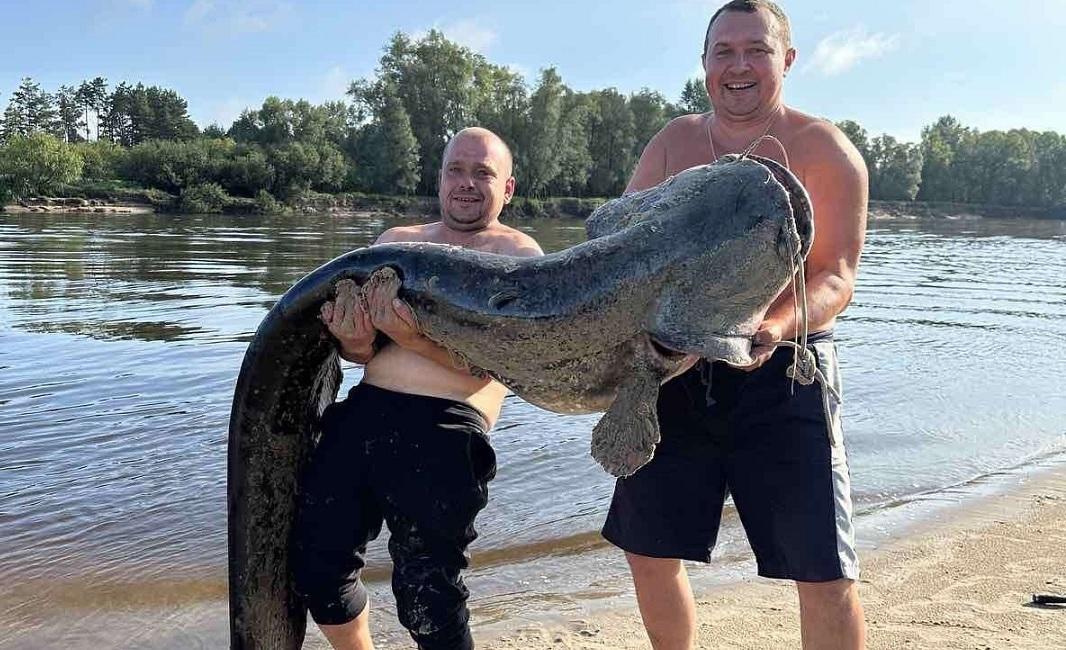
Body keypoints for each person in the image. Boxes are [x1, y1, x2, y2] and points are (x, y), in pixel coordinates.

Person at [600, 2, 869, 649]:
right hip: (676, 371)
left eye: (756, 49)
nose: (738, 66)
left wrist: (773, 326)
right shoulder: (673, 144)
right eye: (724, 52)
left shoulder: (826, 150)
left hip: (785, 372)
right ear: (705, 64)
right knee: (646, 546)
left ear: (787, 59)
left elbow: (835, 276)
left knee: (824, 568)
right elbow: (622, 250)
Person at [294, 126, 543, 650]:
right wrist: (355, 342)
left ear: (509, 188)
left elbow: (487, 365)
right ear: (440, 177)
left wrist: (413, 335)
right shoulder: (394, 241)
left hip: (448, 427)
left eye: (483, 173)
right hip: (362, 414)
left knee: (428, 597)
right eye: (457, 169)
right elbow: (363, 353)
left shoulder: (518, 254)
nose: (467, 183)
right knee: (319, 568)